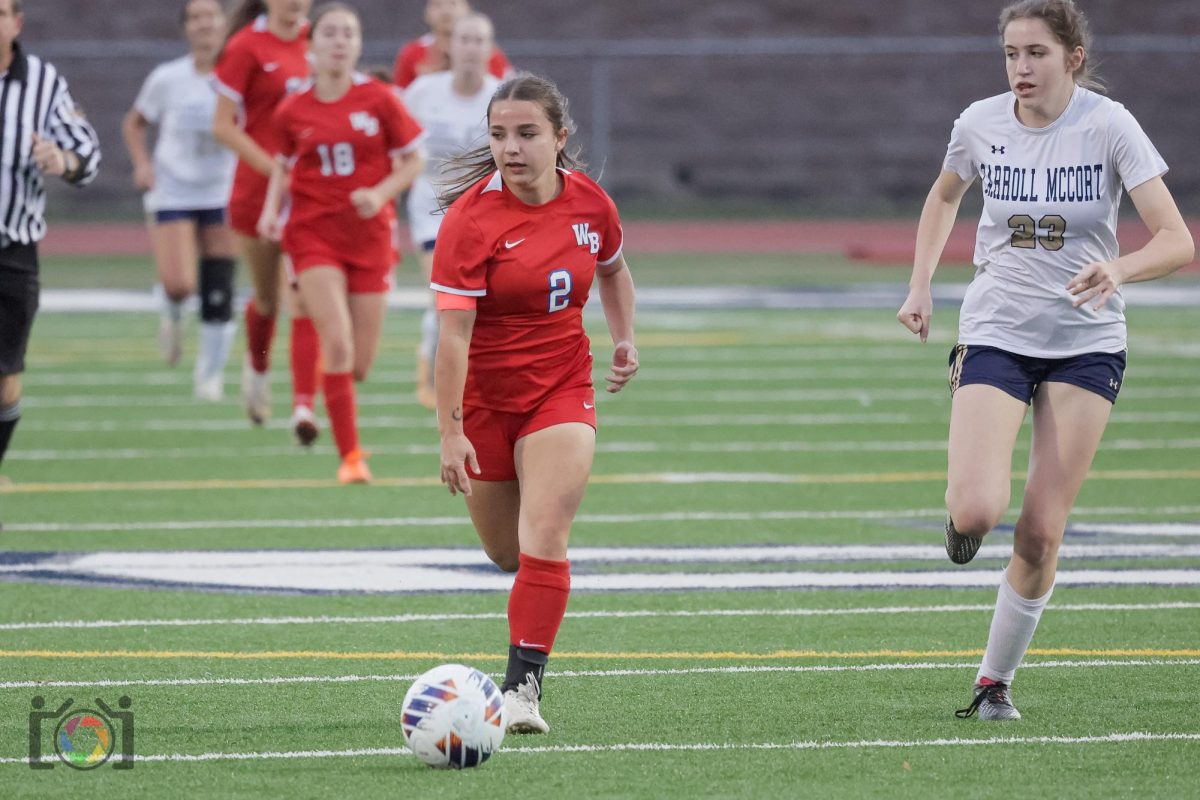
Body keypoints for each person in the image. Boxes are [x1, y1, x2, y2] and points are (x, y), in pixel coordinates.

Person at [896, 0, 1194, 721]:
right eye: (1010, 54)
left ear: (1073, 58)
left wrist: (1119, 271)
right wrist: (921, 283)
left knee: (1041, 531)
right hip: (997, 330)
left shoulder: (1108, 124)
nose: (1020, 69)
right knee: (976, 509)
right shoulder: (980, 123)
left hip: (1086, 344)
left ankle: (993, 683)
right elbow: (943, 198)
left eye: (1035, 53)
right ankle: (962, 524)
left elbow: (1177, 240)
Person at [433, 75, 639, 733]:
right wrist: (450, 432)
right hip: (487, 402)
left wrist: (624, 338)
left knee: (545, 531)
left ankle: (522, 693)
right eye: (498, 135)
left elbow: (612, 268)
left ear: (559, 137)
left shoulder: (590, 205)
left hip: (561, 390)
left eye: (526, 134)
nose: (511, 149)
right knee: (508, 553)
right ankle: (535, 596)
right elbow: (453, 337)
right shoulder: (470, 220)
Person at [259, 2, 424, 483]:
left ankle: (321, 395)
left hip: (370, 237)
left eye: (348, 34)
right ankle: (351, 458)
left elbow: (412, 161)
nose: (339, 41)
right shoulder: (293, 109)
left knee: (359, 363)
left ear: (357, 45)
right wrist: (273, 212)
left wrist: (380, 193)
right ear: (310, 47)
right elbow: (284, 166)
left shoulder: (381, 99)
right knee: (337, 340)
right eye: (329, 33)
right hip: (312, 234)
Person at [212, 0, 322, 442]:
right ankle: (256, 367)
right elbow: (223, 126)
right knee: (267, 298)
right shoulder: (246, 46)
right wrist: (276, 169)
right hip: (258, 192)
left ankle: (303, 407)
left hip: (311, 195)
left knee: (303, 294)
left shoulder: (317, 38)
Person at [0, 0, 100, 476]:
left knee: (4, 383)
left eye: (0, 13)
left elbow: (86, 152)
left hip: (12, 249)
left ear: (16, 23)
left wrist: (62, 160)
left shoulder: (41, 82)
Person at [122, 0, 239, 401]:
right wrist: (142, 164)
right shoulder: (167, 78)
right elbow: (134, 123)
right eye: (196, 17)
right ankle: (172, 314)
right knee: (179, 284)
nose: (205, 24)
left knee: (219, 284)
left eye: (212, 15)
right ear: (185, 28)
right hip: (173, 186)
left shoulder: (239, 76)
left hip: (223, 188)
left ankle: (209, 376)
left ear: (225, 24)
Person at [403, 12, 500, 409]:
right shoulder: (423, 92)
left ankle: (479, 375)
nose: (472, 48)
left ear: (490, 50)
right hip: (431, 209)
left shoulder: (502, 95)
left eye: (480, 41)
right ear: (449, 46)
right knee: (441, 297)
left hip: (483, 213)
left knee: (482, 304)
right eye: (465, 40)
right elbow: (398, 141)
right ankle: (429, 369)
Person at [392, 0, 511, 90]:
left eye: (453, 4)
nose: (446, 11)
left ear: (466, 8)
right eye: (437, 5)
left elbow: (504, 91)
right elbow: (400, 96)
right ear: (427, 12)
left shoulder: (488, 52)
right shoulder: (412, 53)